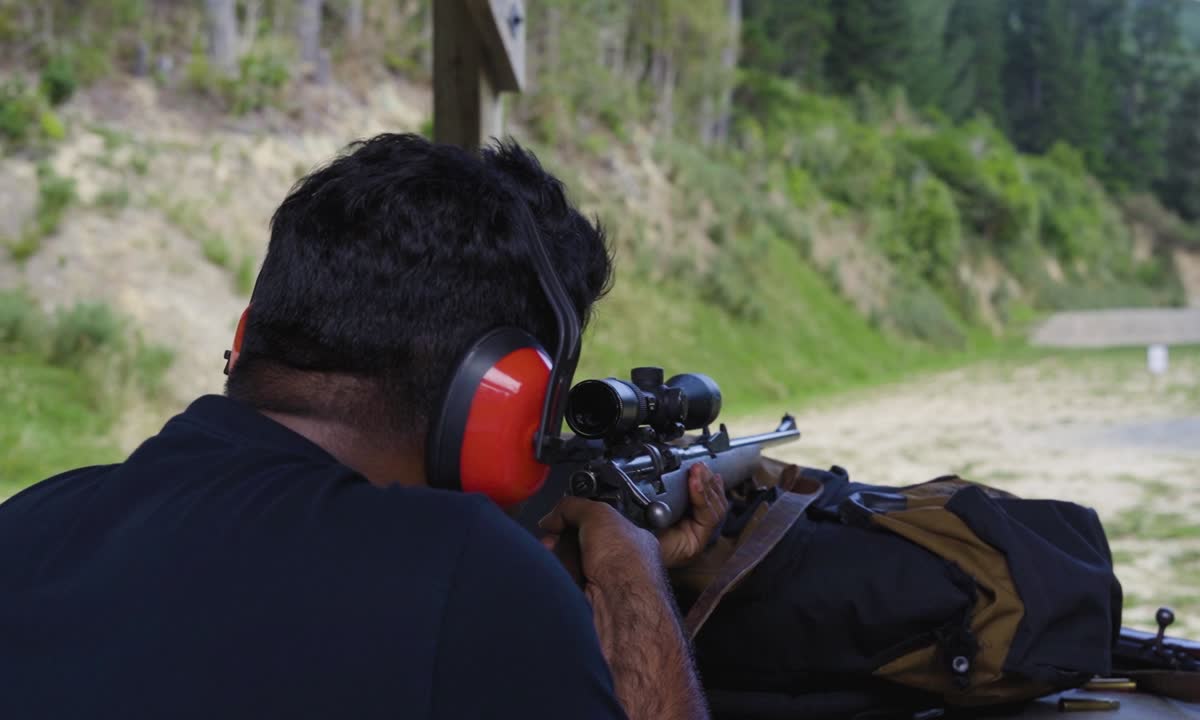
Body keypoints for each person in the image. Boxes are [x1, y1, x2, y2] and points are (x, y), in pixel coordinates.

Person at [0, 134, 729, 719]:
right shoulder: (469, 572)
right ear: (503, 401)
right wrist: (630, 575)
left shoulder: (31, 522)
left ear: (249, 335)